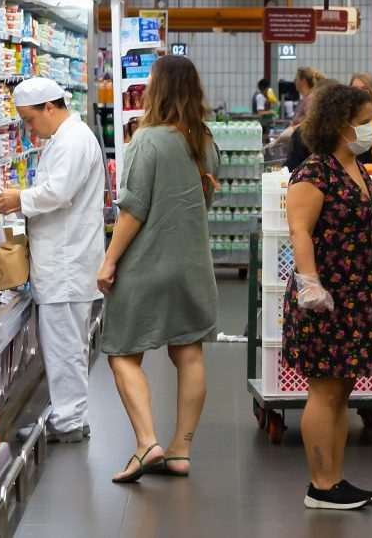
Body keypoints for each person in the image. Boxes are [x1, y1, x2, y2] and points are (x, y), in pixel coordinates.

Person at [96, 55, 219, 484]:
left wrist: (109, 260)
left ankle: (148, 442)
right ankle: (181, 450)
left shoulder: (147, 140)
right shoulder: (205, 140)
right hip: (193, 265)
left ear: (158, 90)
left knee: (122, 353)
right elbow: (204, 200)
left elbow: (133, 210)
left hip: (146, 265)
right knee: (189, 352)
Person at [282, 84, 372, 510]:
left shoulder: (355, 167)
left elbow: (353, 219)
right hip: (325, 298)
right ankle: (320, 485)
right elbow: (300, 231)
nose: (371, 130)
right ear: (339, 124)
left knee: (341, 391)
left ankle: (335, 479)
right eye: (364, 123)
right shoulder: (315, 172)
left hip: (356, 295)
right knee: (324, 391)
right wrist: (310, 283)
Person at [0, 78, 105, 444]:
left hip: (67, 265)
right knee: (67, 344)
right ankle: (72, 415)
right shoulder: (66, 138)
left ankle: (68, 421)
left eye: (29, 119)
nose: (29, 128)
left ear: (49, 108)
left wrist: (17, 199)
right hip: (65, 261)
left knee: (65, 346)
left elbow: (57, 192)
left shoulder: (72, 141)